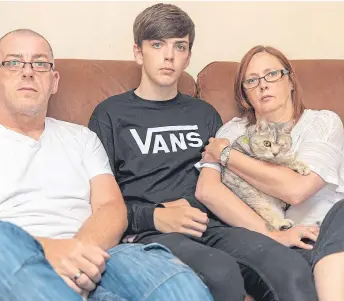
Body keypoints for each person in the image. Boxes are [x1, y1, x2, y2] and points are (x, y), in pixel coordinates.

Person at [0, 28, 214, 301]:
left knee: (173, 281)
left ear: (54, 81)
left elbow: (112, 208)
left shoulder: (82, 138)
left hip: (95, 256)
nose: (28, 71)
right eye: (13, 62)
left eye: (40, 64)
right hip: (5, 259)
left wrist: (77, 257)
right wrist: (51, 253)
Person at [89, 3, 316, 301]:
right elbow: (99, 202)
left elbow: (226, 182)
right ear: (138, 52)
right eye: (157, 45)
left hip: (214, 226)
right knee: (220, 273)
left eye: (179, 46)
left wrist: (269, 231)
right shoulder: (110, 114)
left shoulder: (205, 114)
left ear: (188, 56)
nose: (169, 55)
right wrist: (153, 217)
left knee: (291, 267)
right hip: (152, 233)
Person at [197, 44, 344, 301]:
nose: (263, 85)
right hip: (280, 242)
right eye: (251, 81)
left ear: (290, 82)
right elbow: (207, 189)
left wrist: (228, 156)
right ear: (245, 96)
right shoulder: (232, 131)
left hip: (331, 231)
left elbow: (297, 190)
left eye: (272, 74)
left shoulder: (323, 122)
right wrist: (273, 235)